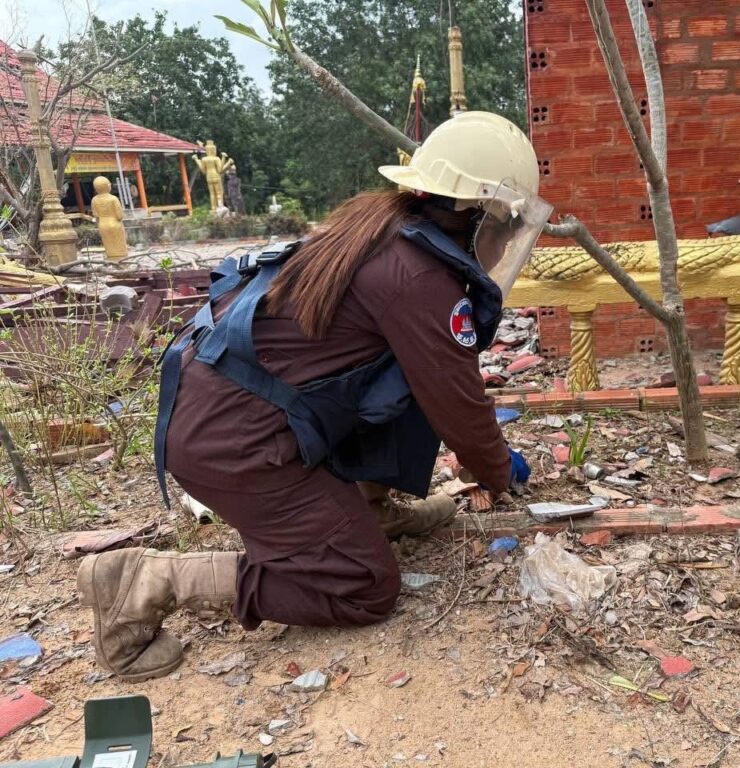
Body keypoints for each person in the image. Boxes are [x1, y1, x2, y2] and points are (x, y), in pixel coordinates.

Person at [76, 111, 550, 682]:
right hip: (237, 443)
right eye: (507, 225)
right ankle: (150, 581)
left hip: (224, 416)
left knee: (399, 383)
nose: (507, 240)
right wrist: (496, 471)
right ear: (481, 214)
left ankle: (368, 509)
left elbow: (409, 384)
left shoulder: (381, 227)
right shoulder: (420, 277)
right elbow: (458, 403)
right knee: (365, 586)